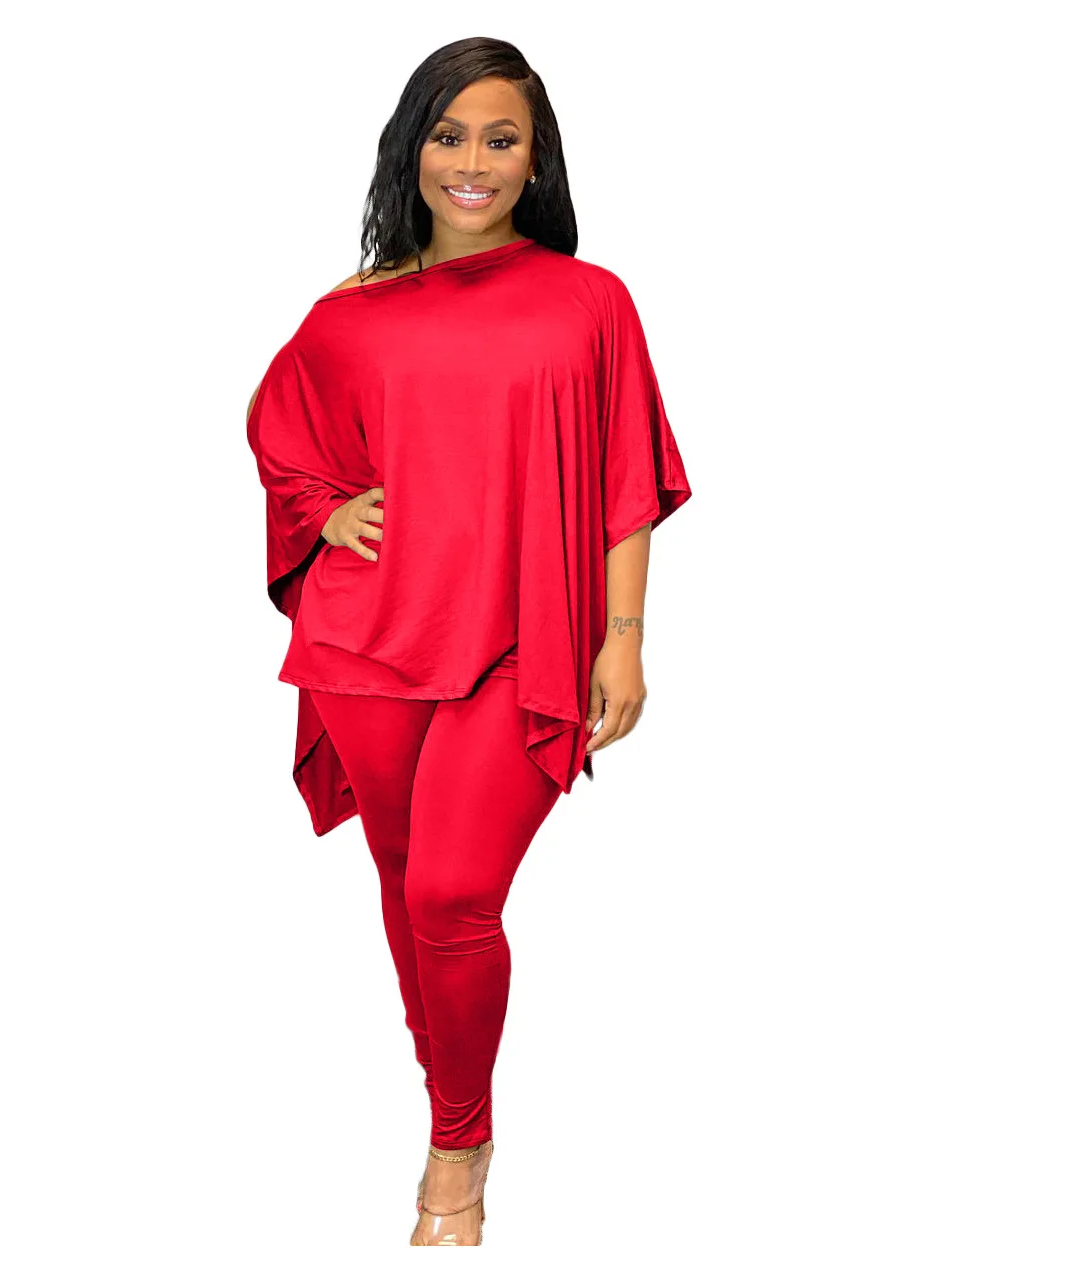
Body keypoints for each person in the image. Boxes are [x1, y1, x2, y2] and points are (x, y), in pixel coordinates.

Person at [245, 37, 692, 1246]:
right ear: (412, 150)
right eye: (448, 136)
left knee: (450, 889)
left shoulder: (589, 301)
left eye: (501, 138)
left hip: (519, 643)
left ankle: (457, 1141)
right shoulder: (349, 310)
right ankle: (447, 1072)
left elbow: (625, 484)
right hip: (370, 639)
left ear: (535, 158)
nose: (473, 162)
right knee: (406, 886)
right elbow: (280, 428)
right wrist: (322, 513)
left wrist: (623, 637)